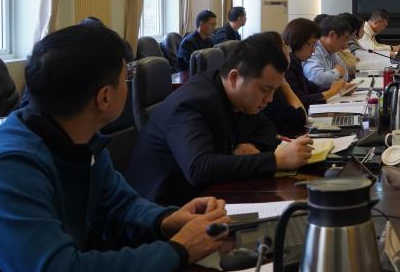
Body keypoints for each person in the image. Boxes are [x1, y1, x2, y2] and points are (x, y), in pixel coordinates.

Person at [0, 24, 230, 272]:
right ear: (105, 97)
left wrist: (166, 220)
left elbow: (119, 205)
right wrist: (178, 250)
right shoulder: (6, 167)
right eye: (126, 76)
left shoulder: (80, 138)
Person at [127, 33, 314, 205]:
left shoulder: (237, 97)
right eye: (265, 90)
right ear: (234, 78)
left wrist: (253, 145)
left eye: (274, 91)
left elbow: (268, 129)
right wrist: (276, 160)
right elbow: (199, 168)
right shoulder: (193, 102)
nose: (270, 99)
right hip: (165, 209)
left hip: (207, 196)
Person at [283, 18, 348, 106]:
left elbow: (313, 88)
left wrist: (340, 87)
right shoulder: (287, 66)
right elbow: (300, 100)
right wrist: (332, 92)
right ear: (299, 41)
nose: (313, 50)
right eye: (312, 45)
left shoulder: (296, 62)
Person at [303, 14, 351, 88]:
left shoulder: (332, 52)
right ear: (332, 35)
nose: (345, 44)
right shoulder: (313, 50)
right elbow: (315, 78)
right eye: (344, 39)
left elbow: (345, 75)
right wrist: (337, 72)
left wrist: (333, 76)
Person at [336, 12, 361, 77]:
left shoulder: (340, 46)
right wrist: (346, 49)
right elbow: (351, 69)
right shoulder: (336, 47)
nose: (354, 37)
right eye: (354, 34)